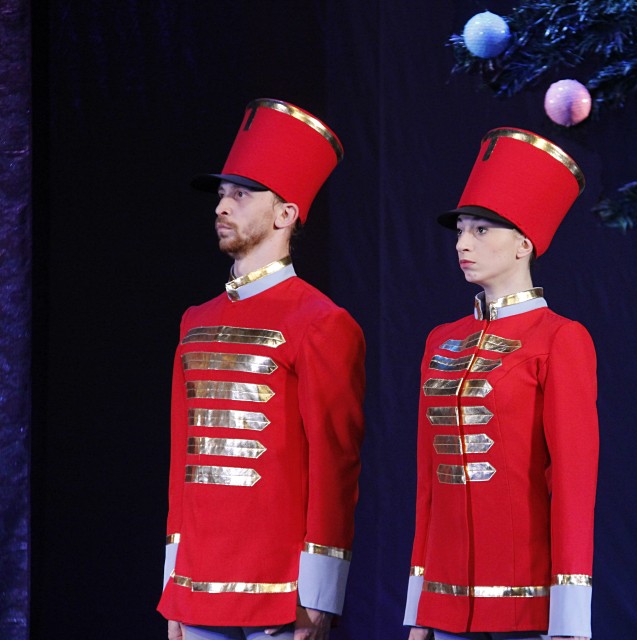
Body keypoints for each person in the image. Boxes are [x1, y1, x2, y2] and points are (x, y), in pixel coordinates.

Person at [158, 99, 365, 640]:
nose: (222, 207)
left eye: (241, 195)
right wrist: (173, 583)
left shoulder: (321, 322)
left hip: (280, 592)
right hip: (196, 586)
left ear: (285, 215)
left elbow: (335, 467)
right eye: (222, 195)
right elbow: (184, 462)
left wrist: (319, 595)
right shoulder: (195, 320)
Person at [403, 128, 599, 640]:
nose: (463, 243)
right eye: (461, 230)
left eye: (482, 229)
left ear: (523, 244)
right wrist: (419, 609)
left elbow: (573, 487)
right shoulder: (440, 341)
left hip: (526, 603)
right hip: (445, 603)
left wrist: (569, 619)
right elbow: (428, 485)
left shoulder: (560, 338)